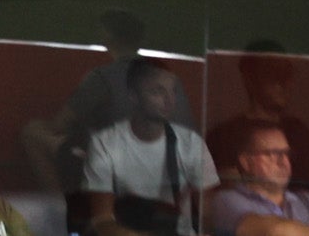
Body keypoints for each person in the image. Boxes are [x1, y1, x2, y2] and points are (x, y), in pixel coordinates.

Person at [80, 62, 219, 236]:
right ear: (133, 96)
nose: (169, 100)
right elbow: (103, 221)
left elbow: (209, 217)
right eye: (158, 91)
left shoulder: (191, 144)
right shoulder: (105, 144)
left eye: (173, 91)